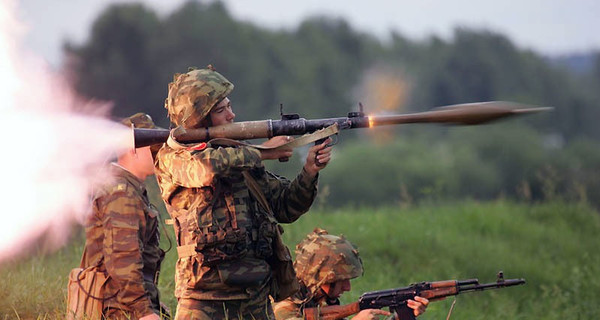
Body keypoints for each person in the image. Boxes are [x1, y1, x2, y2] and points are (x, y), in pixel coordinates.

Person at [154, 65, 333, 319]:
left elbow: (286, 206)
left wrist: (309, 171)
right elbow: (206, 168)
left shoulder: (240, 156)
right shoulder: (173, 157)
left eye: (229, 105)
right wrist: (264, 152)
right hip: (204, 300)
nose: (231, 114)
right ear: (199, 119)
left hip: (255, 299)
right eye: (220, 110)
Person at [80, 113, 167, 320]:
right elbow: (122, 259)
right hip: (119, 312)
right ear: (133, 150)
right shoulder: (122, 192)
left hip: (122, 307)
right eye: (153, 146)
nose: (160, 151)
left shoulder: (128, 188)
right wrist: (143, 311)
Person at [273, 228, 429, 320]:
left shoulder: (316, 301)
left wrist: (402, 315)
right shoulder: (284, 305)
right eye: (342, 280)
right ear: (322, 278)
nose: (347, 287)